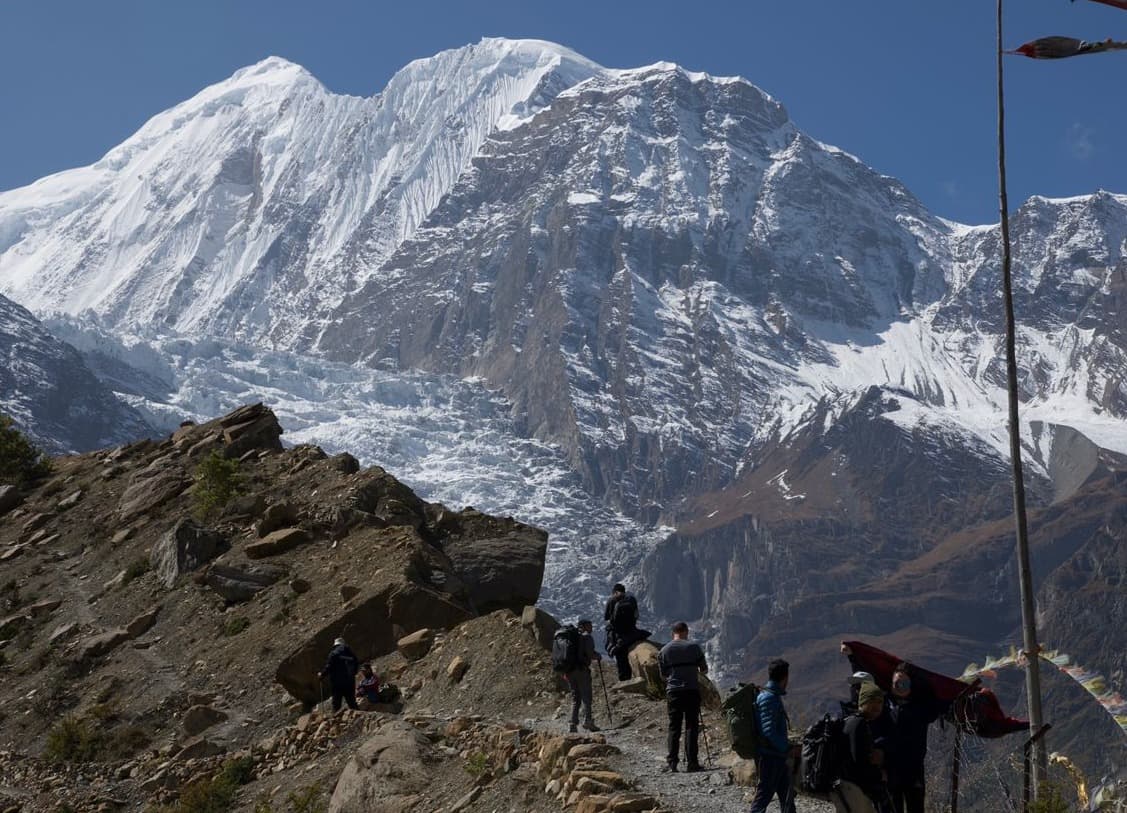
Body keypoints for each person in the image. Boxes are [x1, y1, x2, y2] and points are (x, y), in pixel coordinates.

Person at [873, 663, 949, 813]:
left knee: (916, 809)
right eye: (897, 683)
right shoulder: (882, 705)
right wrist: (852, 658)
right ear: (891, 683)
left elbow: (942, 701)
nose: (900, 686)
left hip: (913, 771)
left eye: (905, 683)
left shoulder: (922, 708)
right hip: (888, 770)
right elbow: (861, 696)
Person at [657, 621, 708, 773]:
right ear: (686, 632)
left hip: (674, 691)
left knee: (674, 727)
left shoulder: (664, 651)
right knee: (692, 726)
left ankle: (672, 762)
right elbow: (704, 670)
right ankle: (692, 762)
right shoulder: (694, 647)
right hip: (691, 690)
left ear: (673, 633)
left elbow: (663, 675)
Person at [750, 658, 797, 813]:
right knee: (763, 798)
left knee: (787, 797)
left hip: (777, 756)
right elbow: (768, 731)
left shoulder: (771, 696)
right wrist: (787, 748)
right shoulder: (769, 699)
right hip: (770, 757)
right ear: (785, 677)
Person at [835, 682, 890, 813]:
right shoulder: (858, 724)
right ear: (863, 702)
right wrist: (879, 775)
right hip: (853, 790)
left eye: (880, 702)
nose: (877, 706)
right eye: (872, 701)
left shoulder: (852, 721)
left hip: (847, 789)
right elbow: (859, 763)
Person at [567, 619, 602, 733]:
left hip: (569, 671)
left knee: (575, 698)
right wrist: (598, 656)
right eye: (589, 625)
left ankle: (572, 724)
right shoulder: (586, 637)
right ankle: (588, 721)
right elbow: (590, 654)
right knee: (586, 697)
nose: (591, 628)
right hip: (581, 670)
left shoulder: (571, 637)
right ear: (584, 626)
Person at [603, 583, 639, 681]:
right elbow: (636, 615)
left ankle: (624, 680)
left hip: (618, 635)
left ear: (614, 592)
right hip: (632, 633)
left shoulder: (611, 600)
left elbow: (606, 617)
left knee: (621, 659)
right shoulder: (631, 599)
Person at [318, 636, 359, 711]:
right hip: (349, 682)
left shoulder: (333, 654)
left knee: (336, 704)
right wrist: (353, 674)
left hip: (337, 683)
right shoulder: (349, 652)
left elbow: (329, 667)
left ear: (335, 645)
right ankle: (359, 717)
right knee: (352, 702)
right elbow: (356, 663)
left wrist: (322, 675)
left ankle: (336, 720)